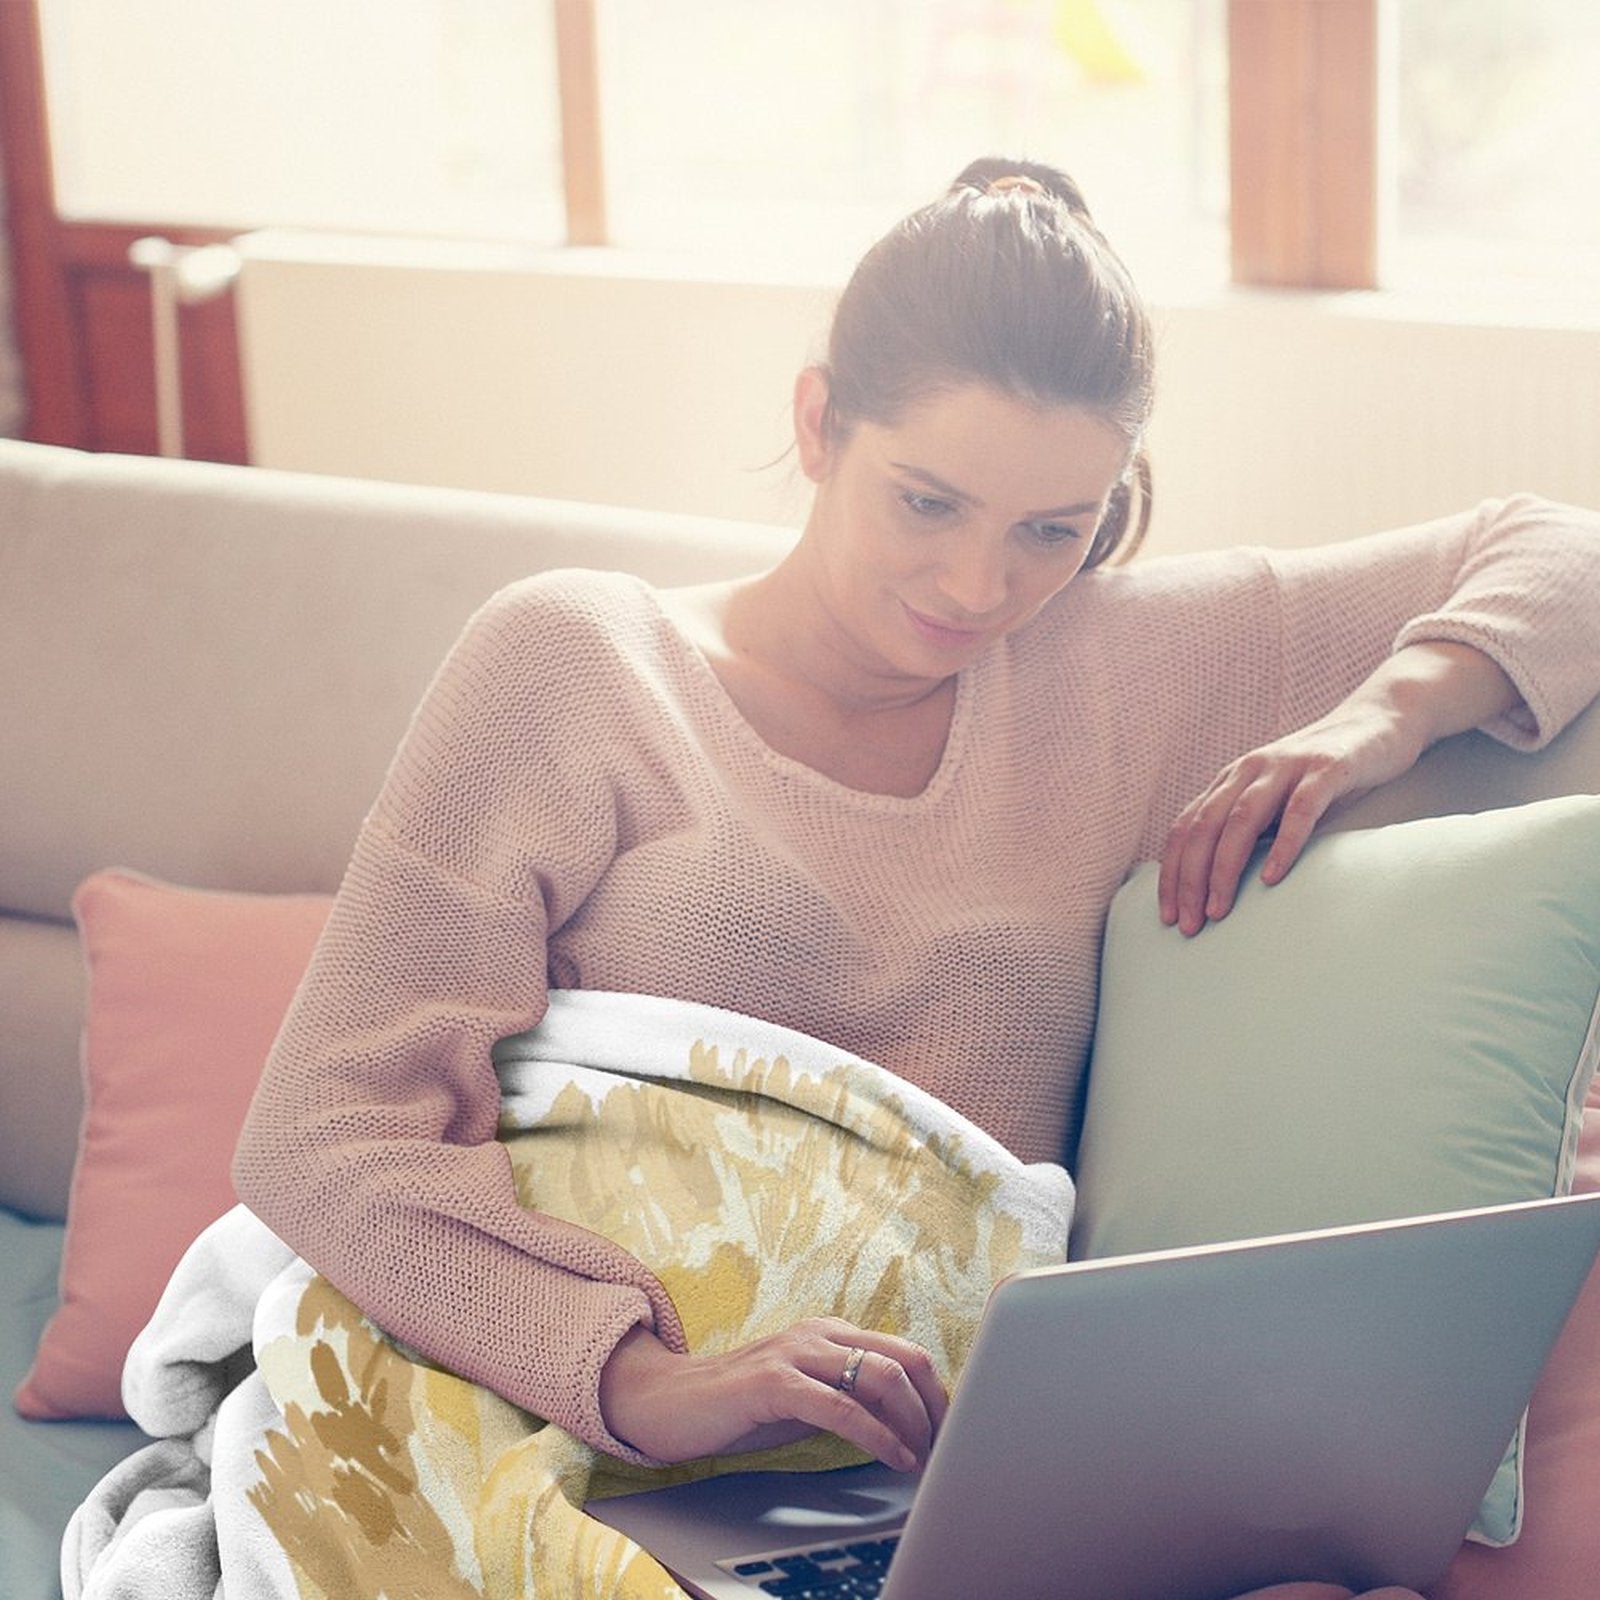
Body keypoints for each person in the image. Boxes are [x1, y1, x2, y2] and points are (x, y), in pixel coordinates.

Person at [232, 156, 1600, 1575]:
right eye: (928, 504)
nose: (977, 589)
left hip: (922, 1492)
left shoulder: (1118, 671)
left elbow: (1560, 547)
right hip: (552, 1417)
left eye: (1052, 533)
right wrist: (640, 1381)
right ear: (821, 420)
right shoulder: (578, 661)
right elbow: (325, 1127)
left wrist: (1388, 713)